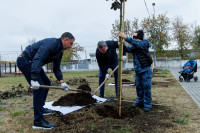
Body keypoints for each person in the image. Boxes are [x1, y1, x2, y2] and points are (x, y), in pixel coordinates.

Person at [16, 32, 75, 129]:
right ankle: (38, 121)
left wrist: (62, 81)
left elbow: (56, 67)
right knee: (39, 88)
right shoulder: (51, 44)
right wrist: (34, 78)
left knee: (47, 83)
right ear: (65, 40)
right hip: (25, 61)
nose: (71, 46)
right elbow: (38, 59)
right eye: (71, 43)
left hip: (33, 63)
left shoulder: (60, 51)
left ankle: (41, 108)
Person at [118, 30, 153, 112]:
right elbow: (129, 50)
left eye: (136, 38)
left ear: (140, 38)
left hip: (145, 70)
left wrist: (125, 37)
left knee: (146, 87)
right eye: (134, 39)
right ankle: (140, 102)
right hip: (137, 70)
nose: (135, 40)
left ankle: (147, 104)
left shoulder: (144, 43)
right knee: (139, 87)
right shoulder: (135, 45)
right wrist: (122, 45)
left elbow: (136, 43)